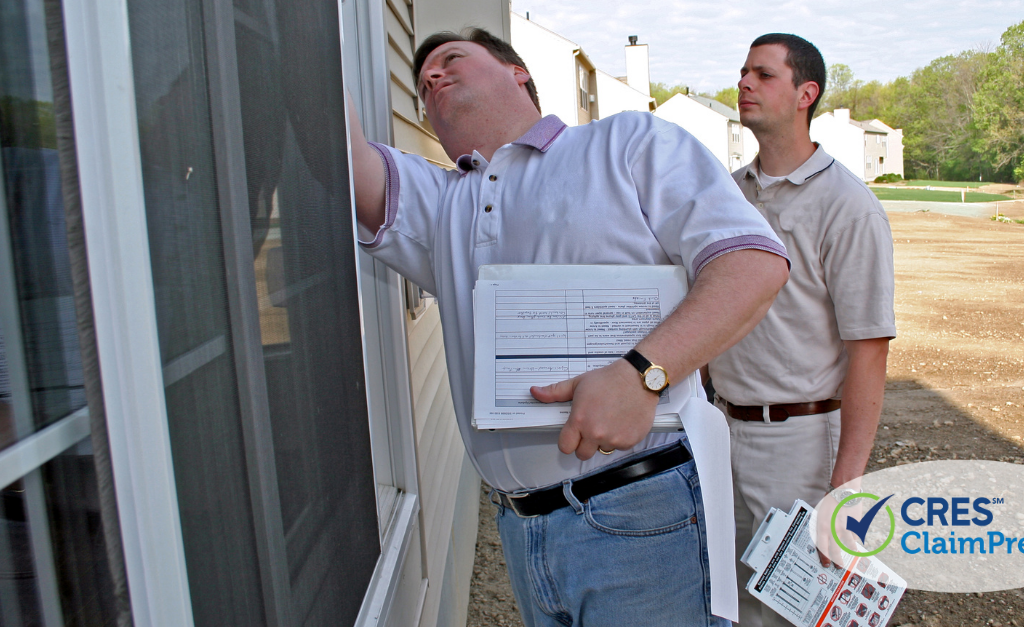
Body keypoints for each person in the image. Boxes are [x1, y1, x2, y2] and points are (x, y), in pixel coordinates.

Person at [347, 28, 790, 627]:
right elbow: (345, 152)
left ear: (517, 72)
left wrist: (642, 376)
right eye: (422, 80)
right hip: (521, 526)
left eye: (451, 60)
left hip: (640, 511)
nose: (430, 78)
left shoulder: (627, 142)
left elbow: (752, 262)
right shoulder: (443, 201)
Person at [706, 33, 895, 627]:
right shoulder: (727, 196)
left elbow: (869, 351)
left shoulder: (848, 206)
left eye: (763, 75)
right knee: (731, 604)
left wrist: (844, 486)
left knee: (798, 610)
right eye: (743, 72)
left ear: (805, 94)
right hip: (722, 431)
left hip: (803, 442)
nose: (744, 84)